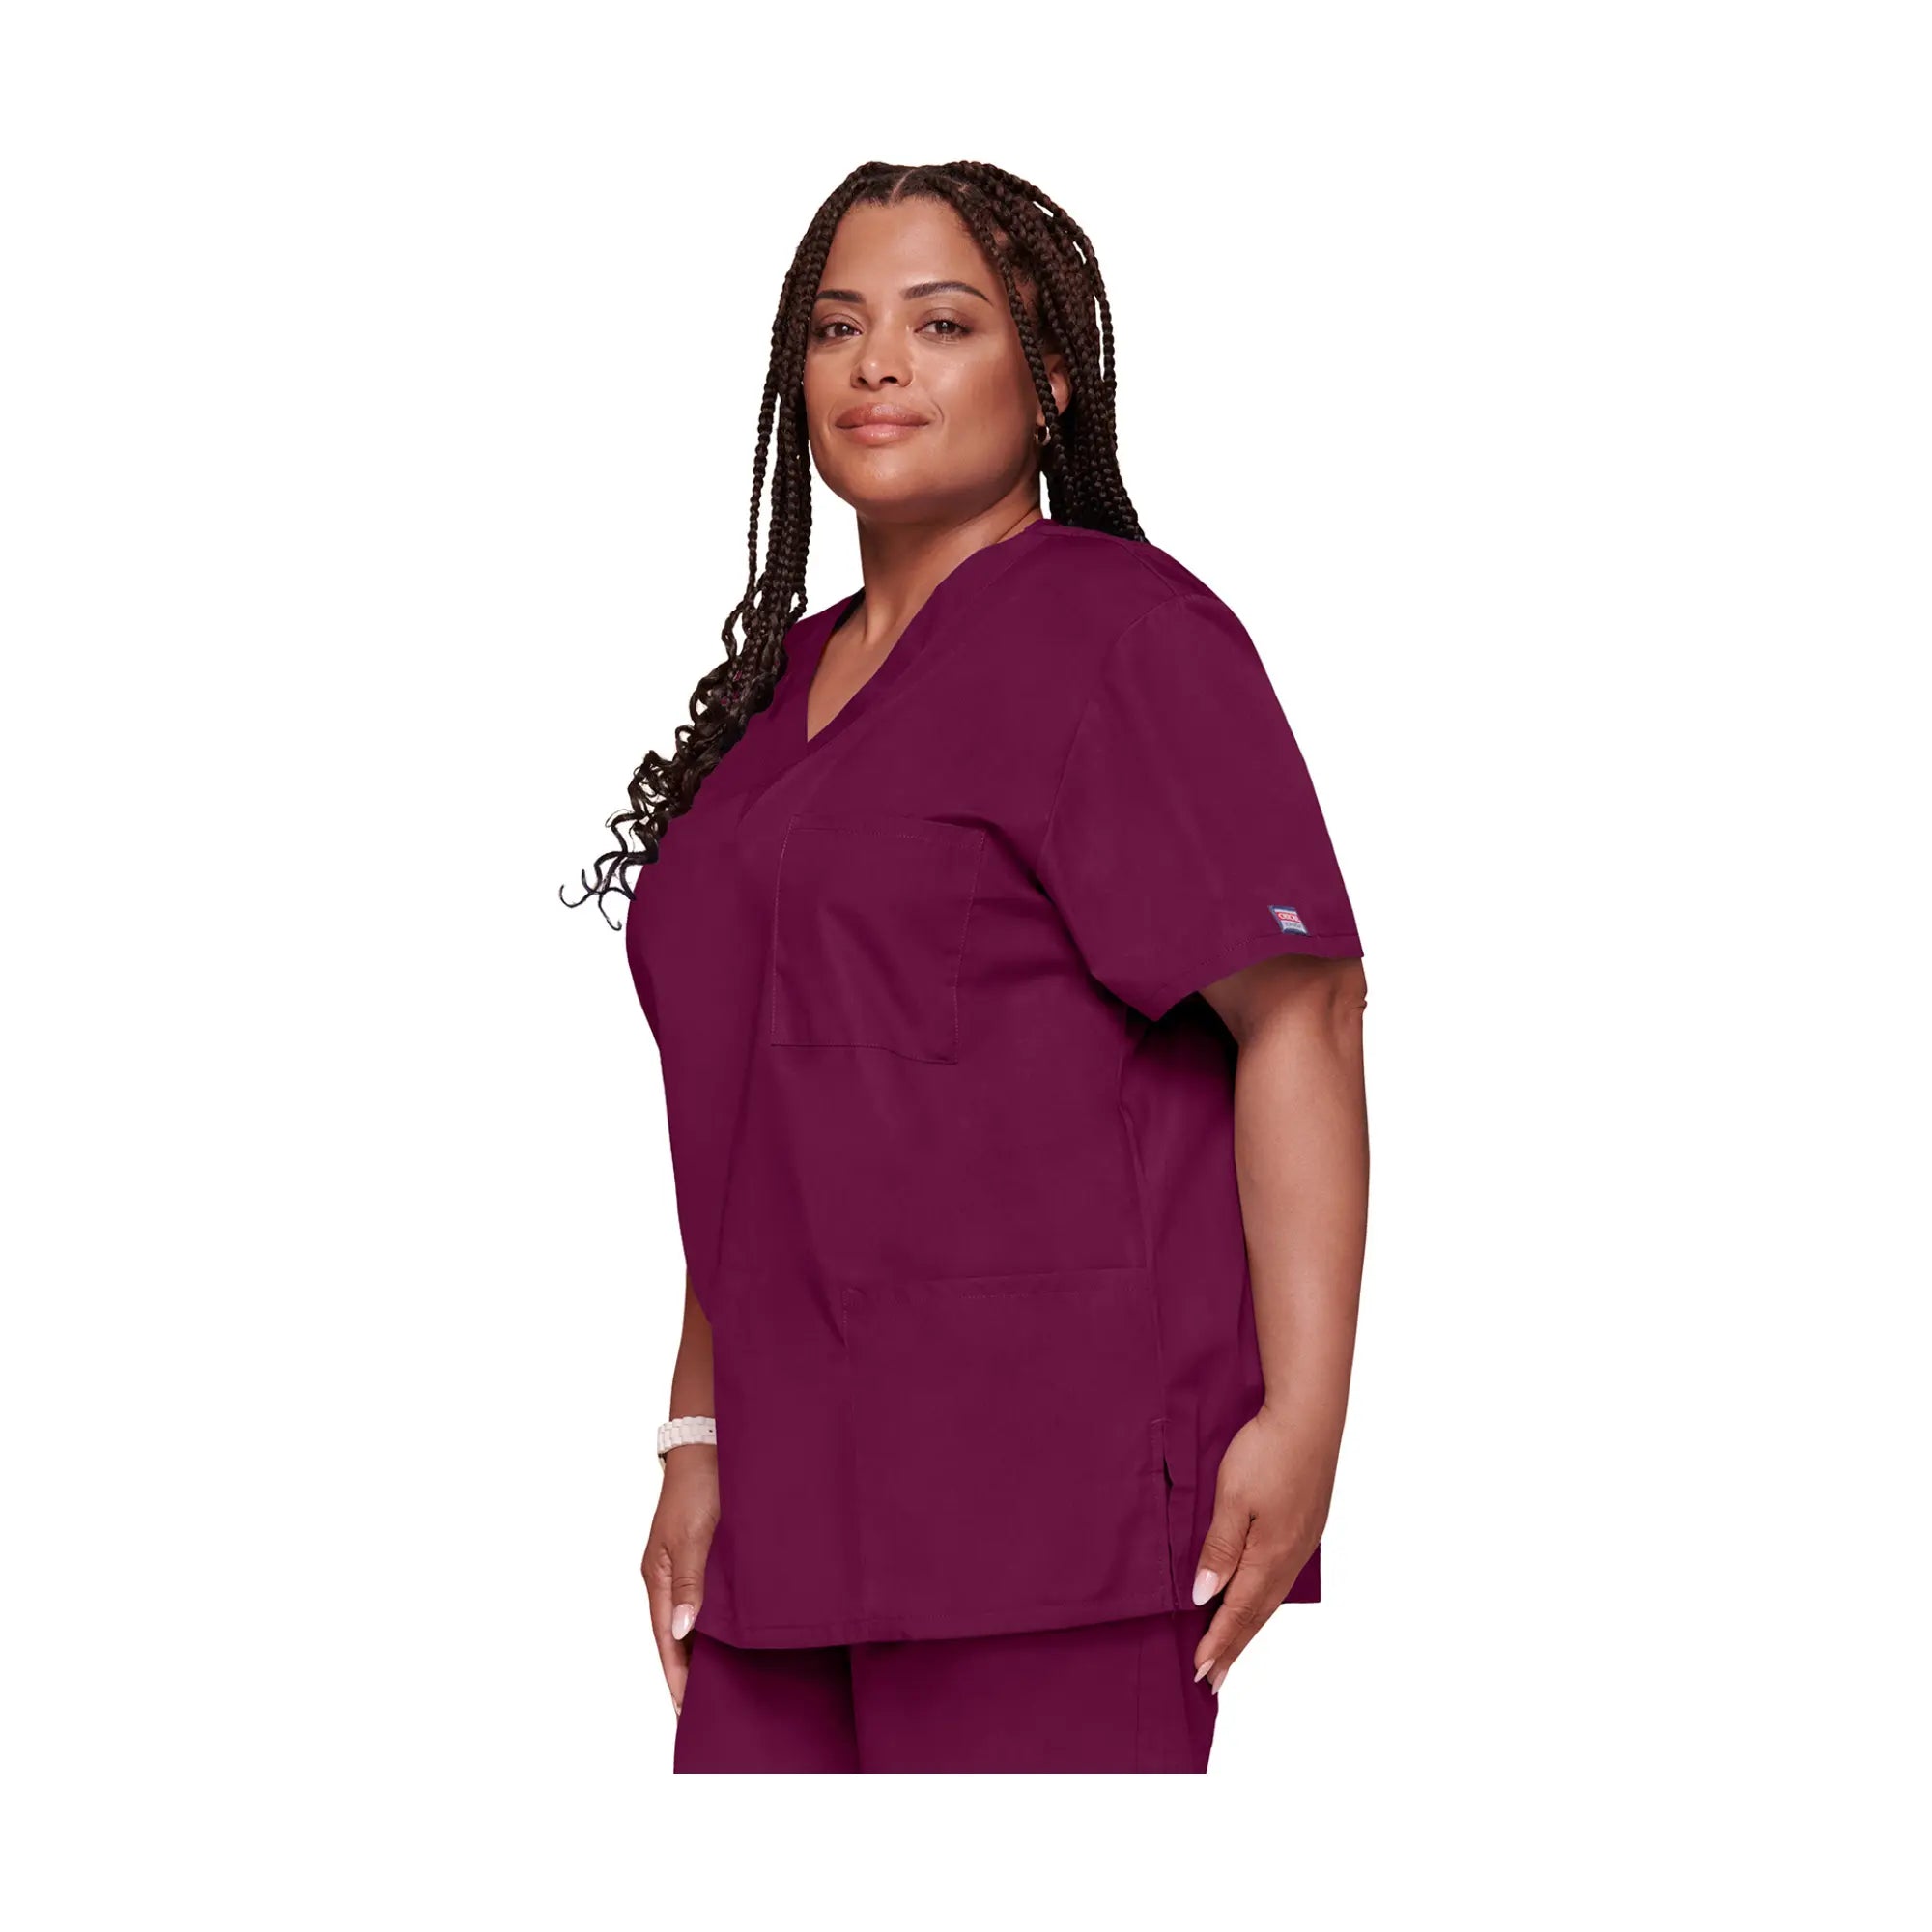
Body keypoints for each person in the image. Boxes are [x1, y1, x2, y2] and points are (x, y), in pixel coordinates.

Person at [565, 159, 1371, 1773]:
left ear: (1049, 375)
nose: (878, 364)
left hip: (1051, 1507)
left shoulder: (1126, 635)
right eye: (836, 327)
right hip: (789, 1509)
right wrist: (697, 1429)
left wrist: (1304, 1423)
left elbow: (1304, 1015)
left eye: (943, 324)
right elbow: (758, 1105)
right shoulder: (781, 691)